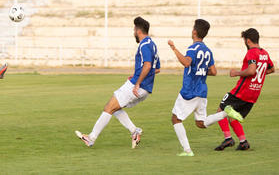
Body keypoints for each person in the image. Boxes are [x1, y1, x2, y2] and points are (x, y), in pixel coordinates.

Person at [75, 17, 160, 148]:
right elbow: (157, 68)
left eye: (134, 29)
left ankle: (91, 138)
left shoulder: (144, 45)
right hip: (146, 88)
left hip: (137, 86)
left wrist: (138, 82)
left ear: (138, 30)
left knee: (109, 107)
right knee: (115, 108)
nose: (133, 32)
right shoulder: (152, 45)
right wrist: (139, 75)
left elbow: (148, 66)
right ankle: (134, 131)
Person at [211, 28, 275, 151]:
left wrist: (237, 73)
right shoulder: (265, 54)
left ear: (248, 40)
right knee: (233, 117)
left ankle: (228, 138)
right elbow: (272, 69)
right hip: (254, 94)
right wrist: (259, 76)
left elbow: (251, 70)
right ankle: (243, 142)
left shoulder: (252, 52)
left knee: (220, 111)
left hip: (242, 91)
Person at [168, 19, 217, 156]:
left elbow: (186, 62)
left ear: (194, 31)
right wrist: (201, 70)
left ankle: (187, 150)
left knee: (176, 118)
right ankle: (225, 113)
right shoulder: (208, 50)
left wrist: (173, 48)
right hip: (202, 90)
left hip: (190, 90)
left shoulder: (192, 48)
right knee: (201, 123)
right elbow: (213, 71)